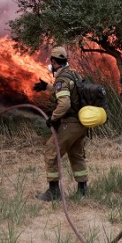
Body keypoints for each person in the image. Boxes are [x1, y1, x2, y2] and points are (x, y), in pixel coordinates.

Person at [33, 46, 89, 201]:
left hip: (69, 123)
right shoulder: (73, 74)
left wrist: (53, 118)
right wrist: (47, 87)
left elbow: (64, 104)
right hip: (81, 123)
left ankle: (54, 192)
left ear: (53, 61)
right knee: (76, 155)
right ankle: (83, 190)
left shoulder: (62, 78)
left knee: (51, 152)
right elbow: (69, 91)